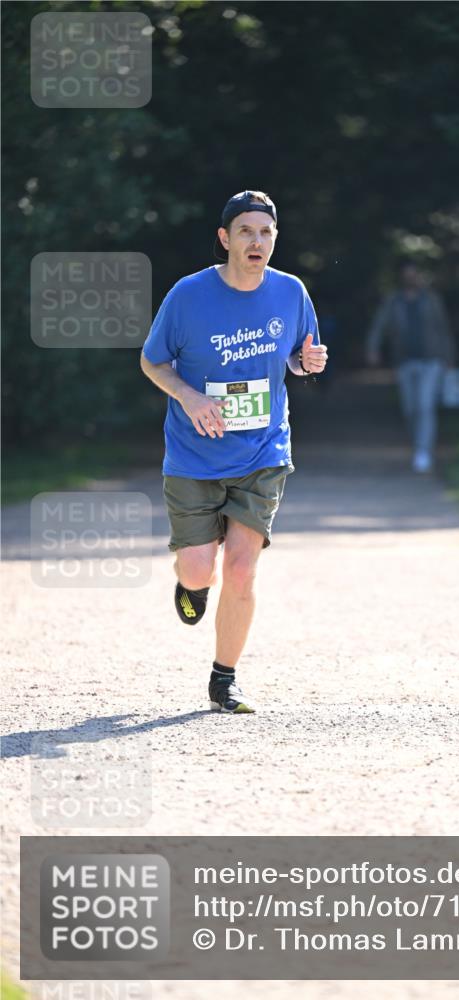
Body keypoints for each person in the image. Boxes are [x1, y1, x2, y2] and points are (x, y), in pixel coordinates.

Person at [140, 190, 327, 714]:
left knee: (242, 570)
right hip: (194, 455)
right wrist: (190, 396)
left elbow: (296, 356)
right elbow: (153, 362)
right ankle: (193, 585)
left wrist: (308, 362)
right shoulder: (188, 294)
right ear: (225, 239)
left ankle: (225, 678)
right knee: (201, 569)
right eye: (246, 231)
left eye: (266, 232)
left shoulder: (291, 292)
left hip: (263, 450)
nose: (257, 241)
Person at [366, 262, 455, 473]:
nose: (411, 279)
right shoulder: (394, 301)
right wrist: (372, 348)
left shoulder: (431, 300)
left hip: (431, 360)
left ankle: (423, 452)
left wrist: (449, 357)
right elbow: (380, 325)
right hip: (404, 361)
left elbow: (443, 329)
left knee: (425, 405)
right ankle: (418, 447)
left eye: (414, 275)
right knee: (410, 408)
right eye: (407, 275)